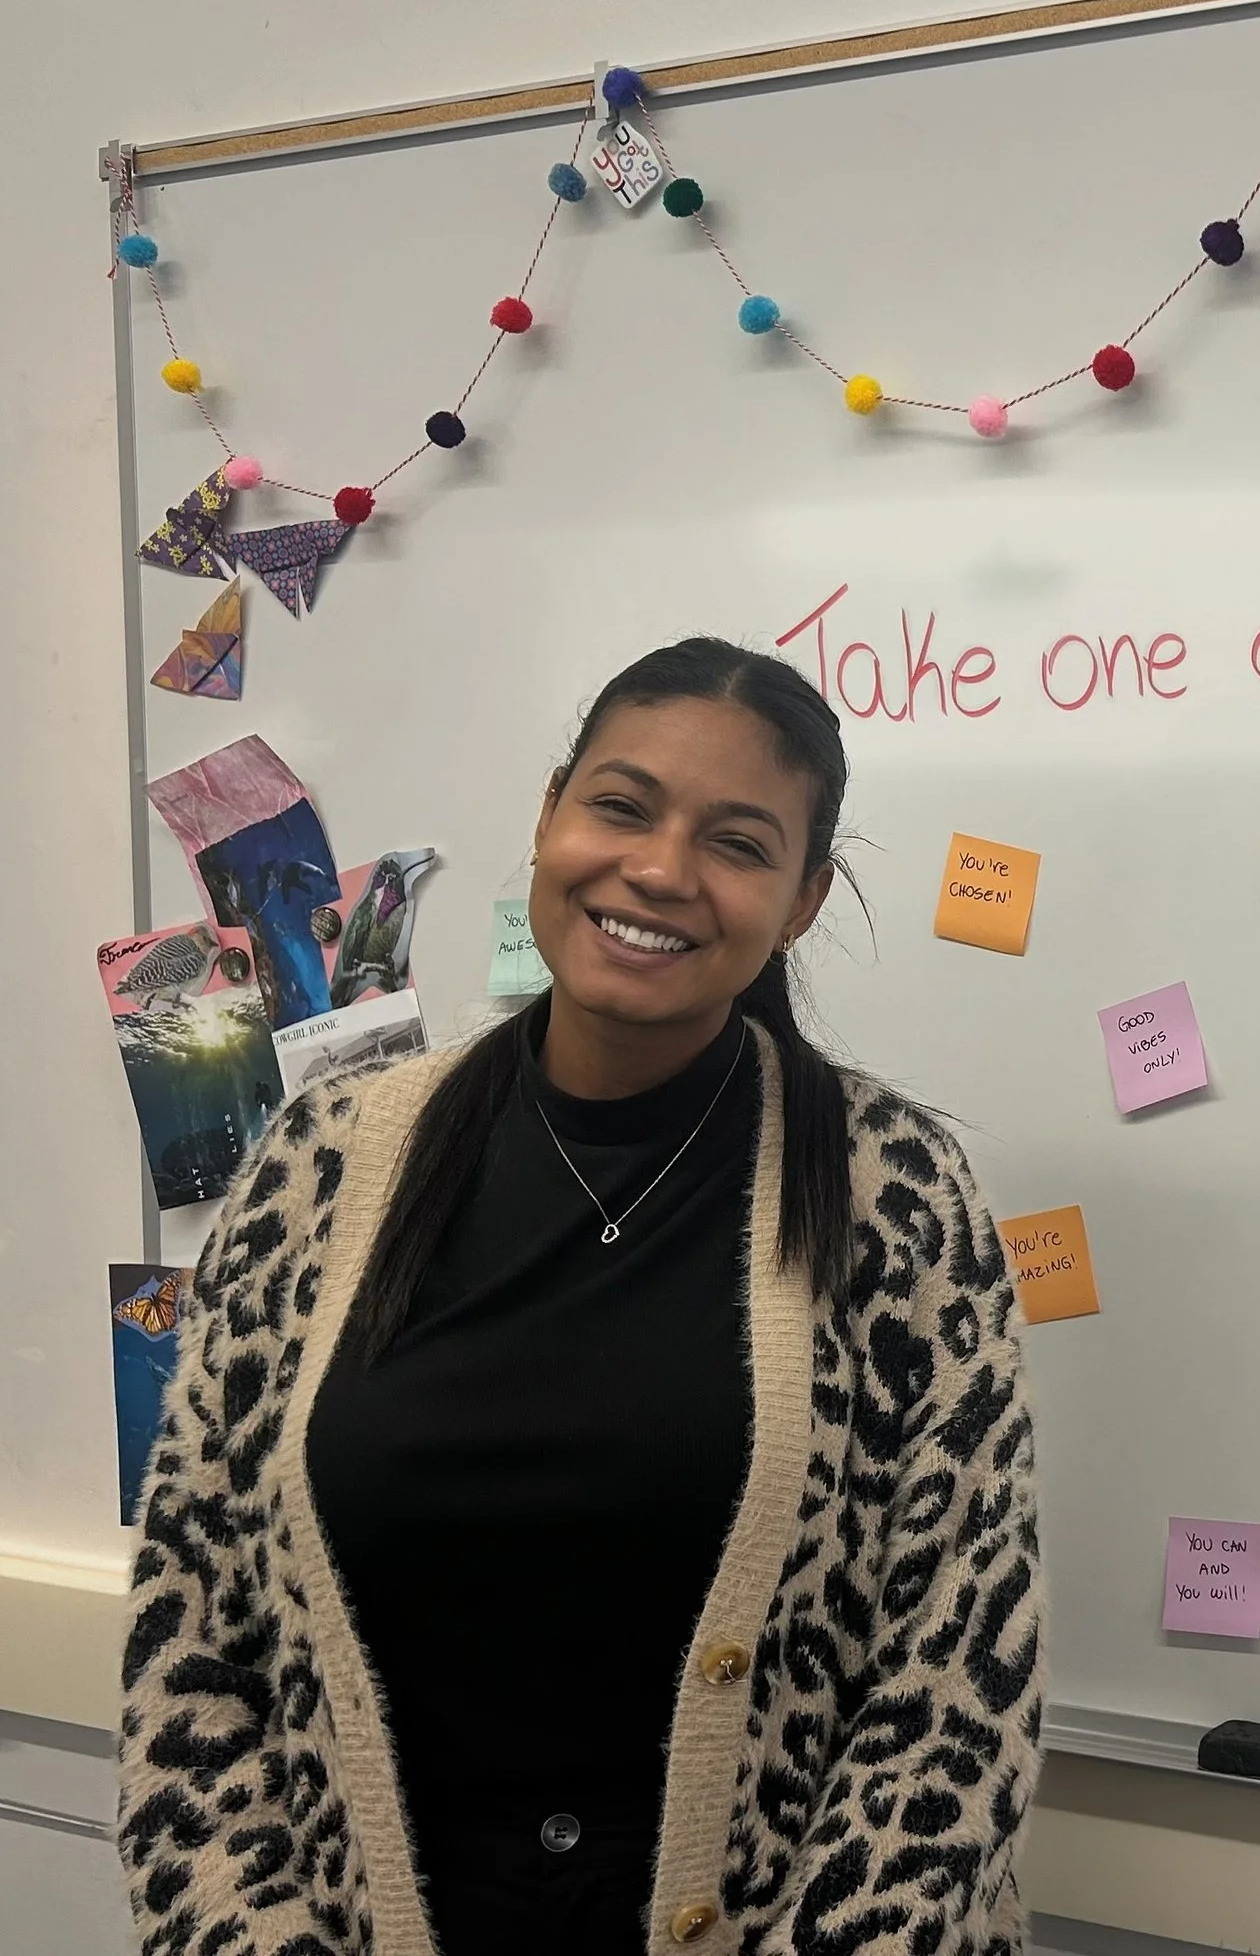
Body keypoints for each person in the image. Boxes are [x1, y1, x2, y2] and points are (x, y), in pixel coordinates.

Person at [117, 638, 1043, 1956]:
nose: (659, 870)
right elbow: (193, 1641)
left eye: (736, 840)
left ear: (800, 899)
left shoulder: (892, 1195)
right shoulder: (320, 1164)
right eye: (619, 804)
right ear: (551, 814)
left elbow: (953, 1687)